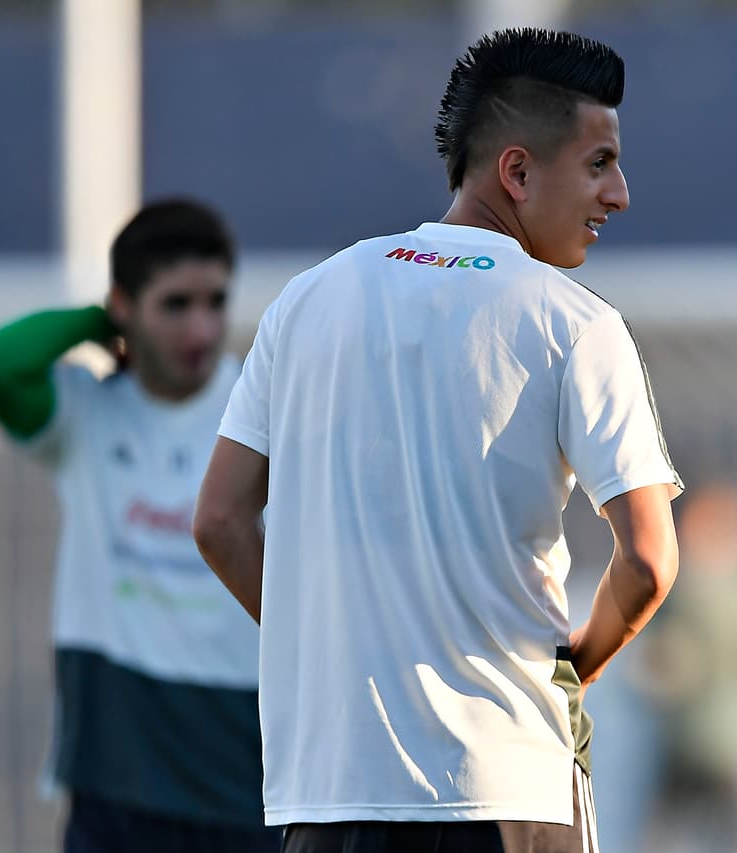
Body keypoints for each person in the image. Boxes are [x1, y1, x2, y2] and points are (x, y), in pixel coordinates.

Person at [193, 27, 683, 853]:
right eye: (599, 163)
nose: (621, 194)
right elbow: (648, 561)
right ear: (518, 172)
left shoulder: (307, 301)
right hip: (507, 787)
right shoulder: (575, 325)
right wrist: (578, 666)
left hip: (331, 795)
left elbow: (219, 522)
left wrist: (328, 649)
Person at [0, 199, 278, 852]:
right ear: (125, 305)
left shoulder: (264, 412)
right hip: (113, 792)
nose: (201, 328)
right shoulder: (85, 414)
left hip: (241, 796)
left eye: (215, 301)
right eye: (175, 304)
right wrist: (92, 321)